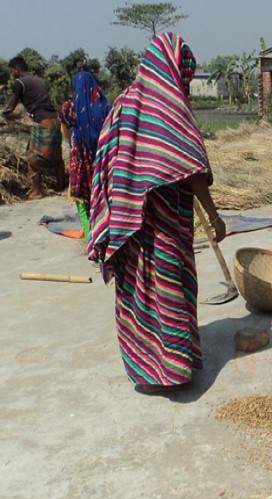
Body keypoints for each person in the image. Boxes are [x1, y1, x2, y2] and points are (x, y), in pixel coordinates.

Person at [87, 33, 225, 393]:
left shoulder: (122, 104)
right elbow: (191, 167)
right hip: (163, 223)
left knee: (137, 291)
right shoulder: (168, 106)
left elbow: (105, 166)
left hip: (128, 224)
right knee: (167, 288)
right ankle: (173, 370)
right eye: (184, 77)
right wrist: (213, 215)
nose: (185, 85)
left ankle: (146, 371)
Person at [2, 56, 65, 199]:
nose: (12, 74)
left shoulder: (19, 82)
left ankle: (37, 191)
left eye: (12, 71)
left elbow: (11, 105)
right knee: (56, 156)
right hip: (55, 120)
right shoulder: (39, 80)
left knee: (32, 157)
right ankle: (62, 186)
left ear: (17, 69)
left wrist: (3, 115)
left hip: (41, 121)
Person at [59, 71, 110, 240]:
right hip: (103, 164)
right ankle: (106, 238)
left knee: (81, 202)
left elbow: (65, 133)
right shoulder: (104, 108)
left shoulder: (69, 109)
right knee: (105, 202)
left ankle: (92, 241)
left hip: (79, 165)